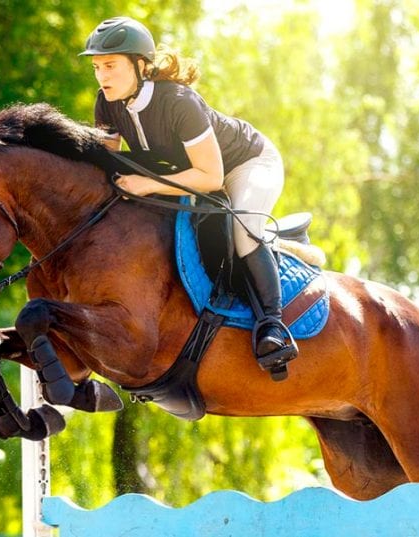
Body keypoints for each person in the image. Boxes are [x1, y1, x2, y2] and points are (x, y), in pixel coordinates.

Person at [79, 16, 298, 377]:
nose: (103, 76)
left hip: (245, 164)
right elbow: (105, 166)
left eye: (111, 66)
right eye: (97, 67)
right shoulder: (108, 104)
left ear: (140, 65)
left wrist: (147, 185)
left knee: (242, 230)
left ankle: (272, 326)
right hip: (191, 174)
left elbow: (211, 177)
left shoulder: (179, 103)